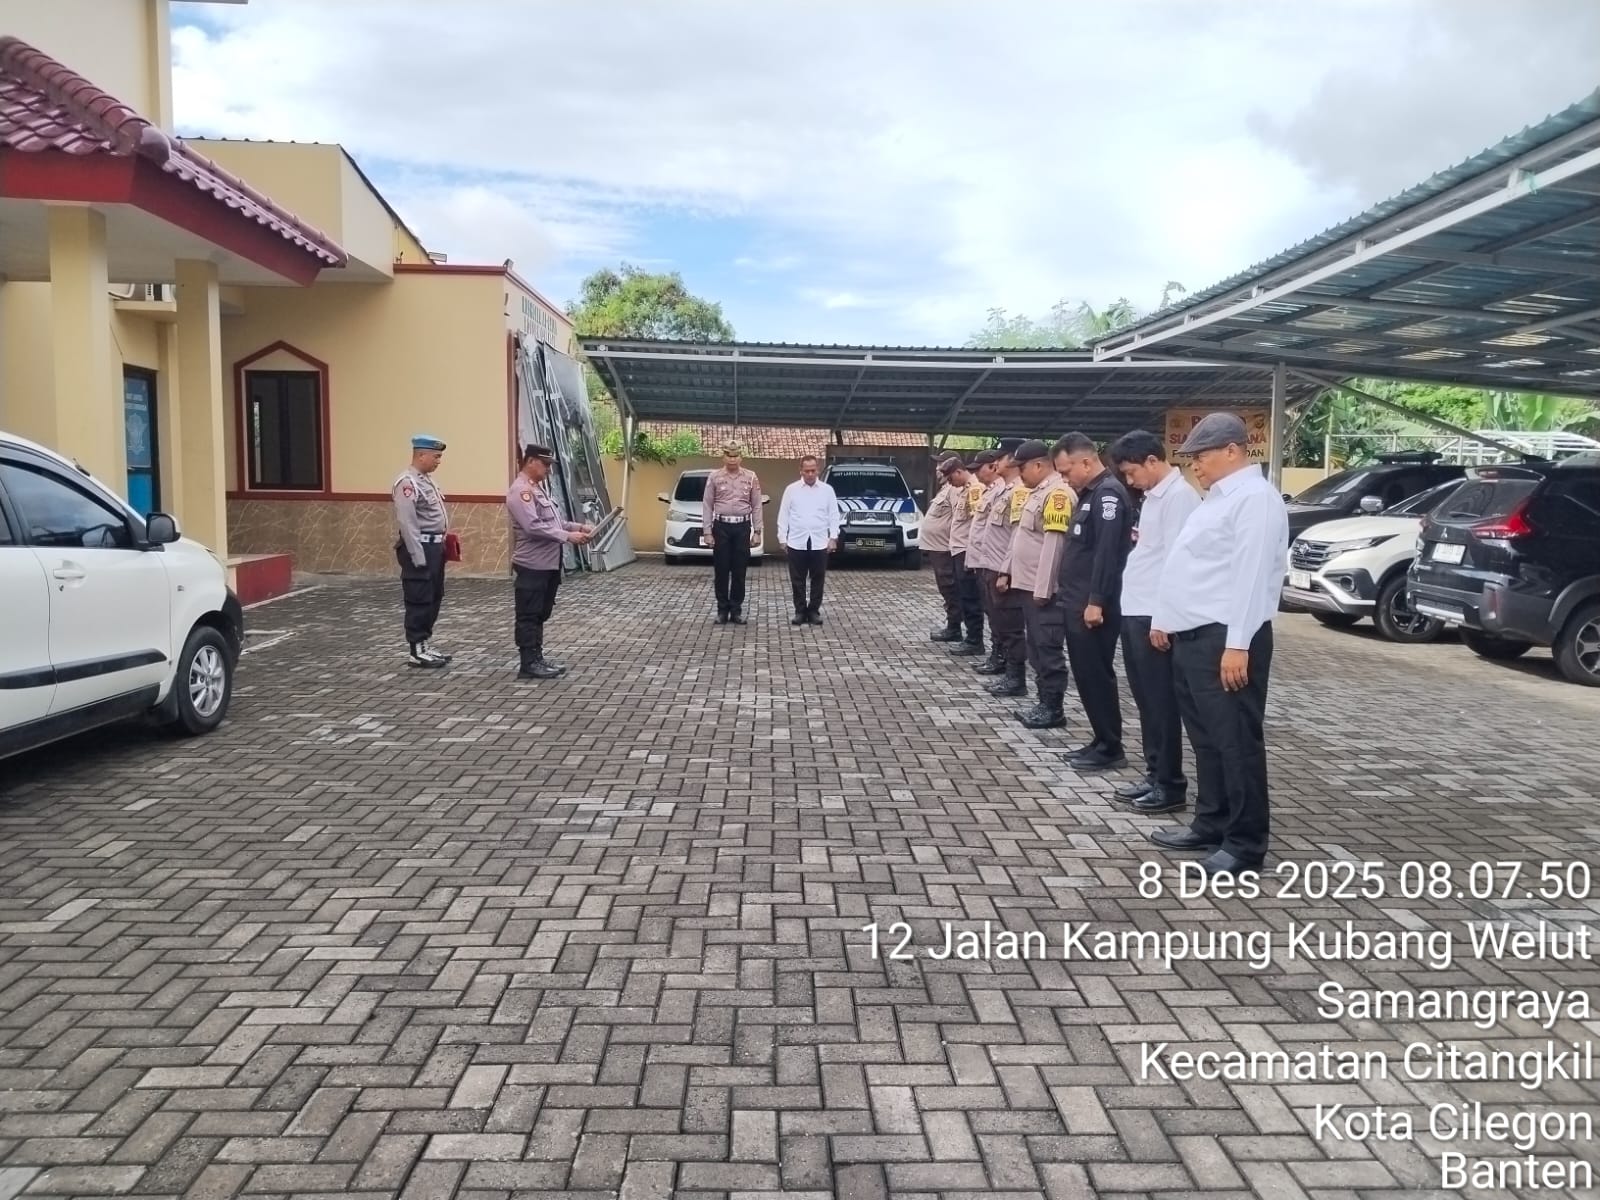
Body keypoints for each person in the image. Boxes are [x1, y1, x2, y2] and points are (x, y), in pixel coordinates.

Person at [1149, 413, 1289, 877]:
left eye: (1201, 456)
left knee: (1236, 743)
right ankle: (1211, 822)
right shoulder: (1216, 499)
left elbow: (1251, 575)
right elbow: (1191, 567)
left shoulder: (1255, 499)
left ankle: (1245, 845)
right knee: (1207, 740)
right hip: (1195, 638)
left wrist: (1238, 644)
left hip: (1226, 638)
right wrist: (1167, 618)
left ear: (1232, 450)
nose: (1195, 465)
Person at [1109, 430, 1202, 815]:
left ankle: (1170, 783)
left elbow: (1177, 563)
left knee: (1161, 703)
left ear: (1152, 460)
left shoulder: (1179, 498)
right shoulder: (1155, 497)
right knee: (1146, 700)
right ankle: (1154, 773)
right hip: (1137, 609)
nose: (1130, 481)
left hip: (1155, 615)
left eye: (1132, 472)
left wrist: (1164, 619)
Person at [1053, 432, 1135, 771]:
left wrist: (1096, 600)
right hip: (1077, 602)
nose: (1064, 478)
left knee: (1096, 675)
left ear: (1086, 461)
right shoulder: (1090, 494)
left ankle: (1111, 746)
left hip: (1092, 607)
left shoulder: (1108, 495)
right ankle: (1101, 739)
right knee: (1086, 676)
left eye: (1066, 470)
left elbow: (1106, 554)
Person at [997, 439, 1075, 729]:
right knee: (1036, 647)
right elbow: (1020, 537)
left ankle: (1053, 708)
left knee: (1047, 648)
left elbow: (1054, 546)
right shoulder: (1035, 493)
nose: (1019, 474)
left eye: (1023, 468)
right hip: (1028, 586)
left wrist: (1043, 589)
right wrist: (1007, 571)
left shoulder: (1058, 495)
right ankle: (1043, 702)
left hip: (1044, 591)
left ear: (1040, 465)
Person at [506, 445, 593, 680]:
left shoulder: (538, 490)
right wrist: (568, 537)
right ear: (530, 461)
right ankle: (528, 663)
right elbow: (532, 526)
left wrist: (578, 527)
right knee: (528, 615)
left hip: (547, 565)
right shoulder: (521, 491)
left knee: (540, 613)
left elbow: (554, 523)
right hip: (532, 565)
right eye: (545, 464)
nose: (548, 469)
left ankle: (537, 657)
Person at [392, 433, 452, 668]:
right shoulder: (408, 483)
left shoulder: (427, 481)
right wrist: (418, 556)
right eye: (435, 457)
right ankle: (416, 650)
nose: (438, 461)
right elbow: (407, 523)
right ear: (421, 455)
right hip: (420, 548)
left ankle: (424, 644)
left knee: (433, 597)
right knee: (419, 598)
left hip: (434, 547)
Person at [982, 439, 1031, 698]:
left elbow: (1016, 535)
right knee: (1000, 623)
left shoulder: (1019, 492)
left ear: (1011, 459)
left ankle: (1016, 678)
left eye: (999, 458)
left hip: (1004, 569)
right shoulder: (1004, 490)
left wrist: (1006, 570)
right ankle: (1006, 669)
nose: (995, 463)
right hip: (992, 565)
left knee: (1011, 628)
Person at [701, 445, 763, 624]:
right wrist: (707, 532)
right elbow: (707, 504)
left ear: (741, 457)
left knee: (739, 571)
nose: (732, 459)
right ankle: (722, 610)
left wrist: (757, 531)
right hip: (721, 527)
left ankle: (736, 610)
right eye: (729, 455)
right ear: (723, 457)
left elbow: (757, 505)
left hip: (742, 527)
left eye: (736, 456)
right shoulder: (714, 476)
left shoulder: (751, 477)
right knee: (721, 570)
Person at [777, 454, 840, 625]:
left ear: (818, 470)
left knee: (818, 578)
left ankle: (813, 611)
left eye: (813, 470)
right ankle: (800, 611)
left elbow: (834, 515)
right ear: (801, 471)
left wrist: (833, 537)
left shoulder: (827, 490)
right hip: (797, 540)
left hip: (819, 541)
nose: (810, 474)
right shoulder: (791, 490)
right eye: (807, 471)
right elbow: (784, 514)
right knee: (797, 579)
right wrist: (782, 537)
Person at [964, 449, 1006, 672]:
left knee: (1000, 616)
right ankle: (996, 655)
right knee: (992, 613)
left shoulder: (1005, 491)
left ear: (992, 467)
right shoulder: (990, 492)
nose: (976, 474)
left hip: (996, 563)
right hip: (984, 562)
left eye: (978, 469)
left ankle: (1003, 659)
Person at [946, 456, 987, 657]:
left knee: (971, 597)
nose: (949, 482)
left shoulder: (975, 489)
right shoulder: (964, 490)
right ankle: (971, 637)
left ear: (959, 472)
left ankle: (974, 640)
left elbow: (976, 524)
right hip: (959, 550)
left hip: (966, 551)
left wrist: (972, 554)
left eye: (950, 478)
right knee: (964, 595)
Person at [923, 454, 965, 642]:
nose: (937, 469)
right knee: (946, 589)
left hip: (945, 549)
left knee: (950, 588)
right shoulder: (945, 488)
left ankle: (954, 627)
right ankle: (952, 625)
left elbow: (959, 518)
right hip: (937, 548)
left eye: (941, 464)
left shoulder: (955, 489)